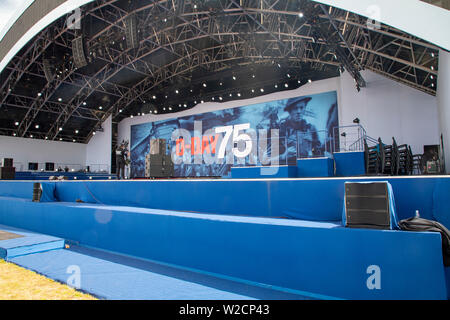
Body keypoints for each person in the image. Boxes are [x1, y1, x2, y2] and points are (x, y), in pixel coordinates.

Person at [279, 96, 322, 164]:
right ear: (290, 111)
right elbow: (270, 157)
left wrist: (313, 152)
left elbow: (318, 151)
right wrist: (283, 156)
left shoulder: (311, 129)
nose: (299, 111)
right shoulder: (281, 130)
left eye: (301, 108)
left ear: (304, 109)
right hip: (288, 168)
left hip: (307, 166)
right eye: (295, 108)